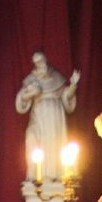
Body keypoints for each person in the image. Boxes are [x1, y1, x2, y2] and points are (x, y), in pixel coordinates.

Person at [15, 52, 79, 181]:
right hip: (39, 116)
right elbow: (21, 99)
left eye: (41, 61)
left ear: (45, 61)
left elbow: (66, 96)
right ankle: (35, 178)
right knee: (32, 140)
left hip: (55, 117)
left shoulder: (56, 77)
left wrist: (73, 85)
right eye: (36, 62)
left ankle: (55, 177)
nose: (39, 64)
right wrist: (31, 93)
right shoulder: (31, 80)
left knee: (55, 145)